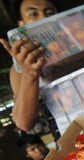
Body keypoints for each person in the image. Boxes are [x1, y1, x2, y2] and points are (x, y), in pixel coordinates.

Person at [0, 0, 59, 134]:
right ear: (21, 25)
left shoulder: (83, 43)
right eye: (33, 14)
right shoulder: (19, 70)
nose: (43, 18)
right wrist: (30, 73)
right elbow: (24, 123)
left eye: (50, 13)